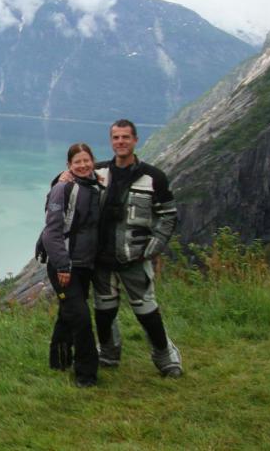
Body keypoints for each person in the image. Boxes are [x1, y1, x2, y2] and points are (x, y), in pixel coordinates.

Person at [91, 119, 182, 377]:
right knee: (104, 311)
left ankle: (166, 357)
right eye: (116, 138)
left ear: (135, 140)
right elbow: (68, 184)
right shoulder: (99, 174)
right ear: (111, 141)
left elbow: (168, 215)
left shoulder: (153, 178)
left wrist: (153, 248)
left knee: (147, 311)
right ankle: (108, 352)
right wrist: (61, 177)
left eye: (125, 137)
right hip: (102, 260)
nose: (121, 142)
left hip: (134, 258)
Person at [40, 142, 103, 387]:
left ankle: (59, 361)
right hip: (64, 266)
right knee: (82, 319)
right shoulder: (63, 189)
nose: (83, 165)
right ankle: (86, 375)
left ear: (93, 161)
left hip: (84, 263)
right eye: (77, 162)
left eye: (87, 160)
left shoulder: (96, 185)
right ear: (69, 165)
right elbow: (51, 233)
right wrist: (63, 266)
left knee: (68, 313)